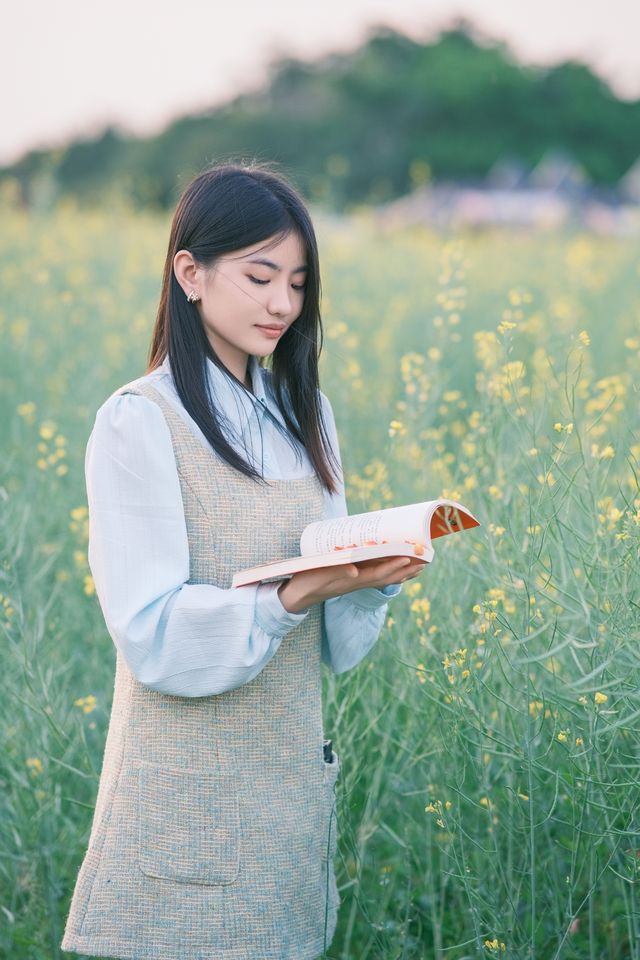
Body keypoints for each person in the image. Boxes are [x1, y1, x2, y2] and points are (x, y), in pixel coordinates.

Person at [60, 161, 427, 960]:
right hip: (183, 800)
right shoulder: (139, 421)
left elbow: (338, 650)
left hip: (287, 790)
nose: (283, 304)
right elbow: (151, 632)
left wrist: (369, 582)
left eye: (297, 283)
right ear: (189, 274)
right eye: (261, 277)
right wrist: (287, 599)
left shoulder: (308, 413)